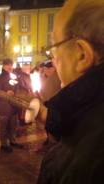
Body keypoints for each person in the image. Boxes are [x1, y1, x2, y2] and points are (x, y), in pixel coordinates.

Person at [36, 0, 104, 183]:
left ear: (81, 55)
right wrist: (54, 117)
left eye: (54, 47)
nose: (54, 60)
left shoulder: (84, 163)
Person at [0, 59, 24, 153]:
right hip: (3, 106)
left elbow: (17, 88)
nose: (10, 67)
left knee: (13, 125)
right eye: (8, 65)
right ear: (3, 66)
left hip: (13, 105)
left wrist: (16, 92)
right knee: (3, 126)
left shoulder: (14, 76)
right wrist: (5, 92)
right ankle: (3, 144)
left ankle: (12, 140)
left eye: (11, 65)